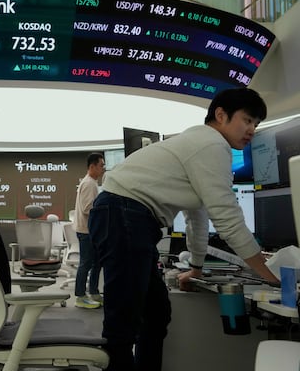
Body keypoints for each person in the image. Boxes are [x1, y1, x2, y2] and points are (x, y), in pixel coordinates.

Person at [88, 87, 279, 371]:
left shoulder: (199, 144)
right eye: (247, 120)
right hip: (123, 213)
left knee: (155, 314)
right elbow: (227, 216)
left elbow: (198, 215)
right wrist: (270, 275)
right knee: (124, 321)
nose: (251, 129)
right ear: (221, 115)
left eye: (256, 124)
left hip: (125, 215)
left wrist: (197, 268)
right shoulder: (212, 145)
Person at [73, 152, 105, 309]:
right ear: (92, 166)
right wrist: (104, 209)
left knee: (97, 263)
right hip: (86, 232)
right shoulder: (89, 183)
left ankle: (94, 292)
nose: (103, 169)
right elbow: (87, 209)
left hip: (91, 231)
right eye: (101, 165)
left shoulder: (91, 182)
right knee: (85, 264)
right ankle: (80, 296)